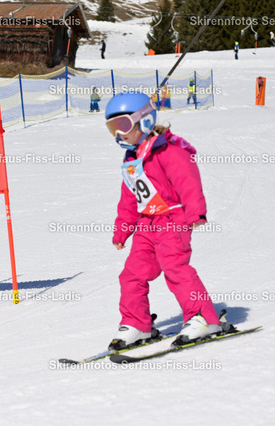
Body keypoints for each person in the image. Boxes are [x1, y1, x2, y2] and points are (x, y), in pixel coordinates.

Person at [104, 92, 221, 350]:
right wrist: (122, 230)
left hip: (173, 220)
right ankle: (137, 324)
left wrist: (196, 212)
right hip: (146, 225)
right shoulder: (132, 160)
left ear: (144, 121)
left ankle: (203, 318)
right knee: (131, 275)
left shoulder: (169, 151)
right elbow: (130, 199)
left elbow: (188, 181)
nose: (118, 134)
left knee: (175, 269)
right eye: (112, 127)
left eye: (123, 125)